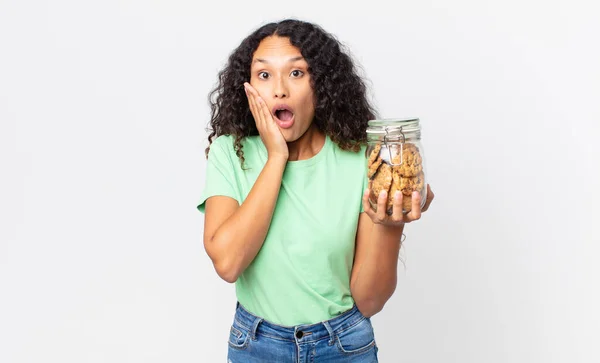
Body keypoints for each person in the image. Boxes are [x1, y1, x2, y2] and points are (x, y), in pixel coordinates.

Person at [197, 18, 434, 362]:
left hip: (343, 345)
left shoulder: (360, 160)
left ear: (320, 85)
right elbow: (228, 263)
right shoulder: (230, 153)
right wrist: (276, 156)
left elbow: (369, 300)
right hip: (256, 347)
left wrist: (390, 219)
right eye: (264, 75)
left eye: (296, 73)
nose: (279, 89)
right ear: (248, 87)